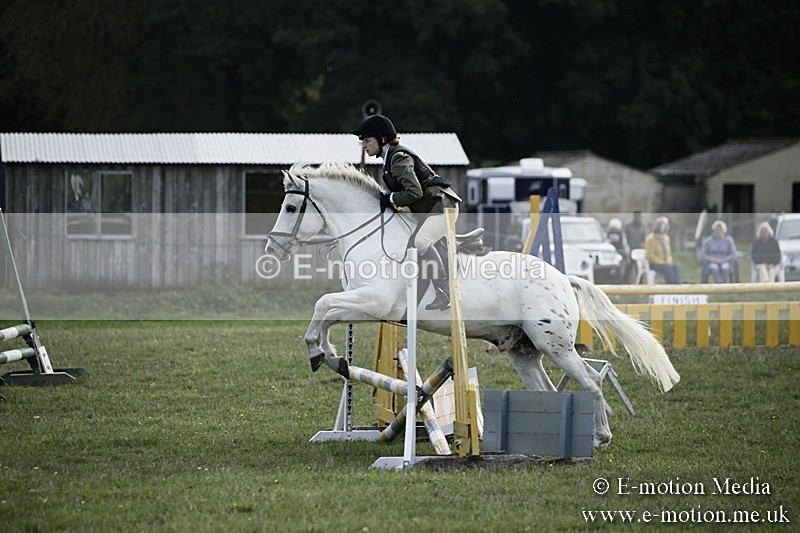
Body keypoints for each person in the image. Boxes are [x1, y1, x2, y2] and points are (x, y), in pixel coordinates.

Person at [351, 114, 462, 310]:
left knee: (420, 242)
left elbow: (414, 192)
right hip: (427, 210)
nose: (364, 146)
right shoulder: (388, 159)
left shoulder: (398, 157)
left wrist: (390, 199)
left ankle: (445, 291)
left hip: (442, 208)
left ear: (382, 138)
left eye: (367, 141)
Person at [644, 216, 682, 284]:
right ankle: (671, 288)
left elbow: (668, 254)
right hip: (653, 263)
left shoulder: (666, 238)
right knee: (667, 267)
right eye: (666, 225)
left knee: (675, 267)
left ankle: (679, 288)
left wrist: (668, 261)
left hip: (664, 263)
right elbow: (649, 256)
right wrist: (662, 262)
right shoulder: (650, 238)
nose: (668, 227)